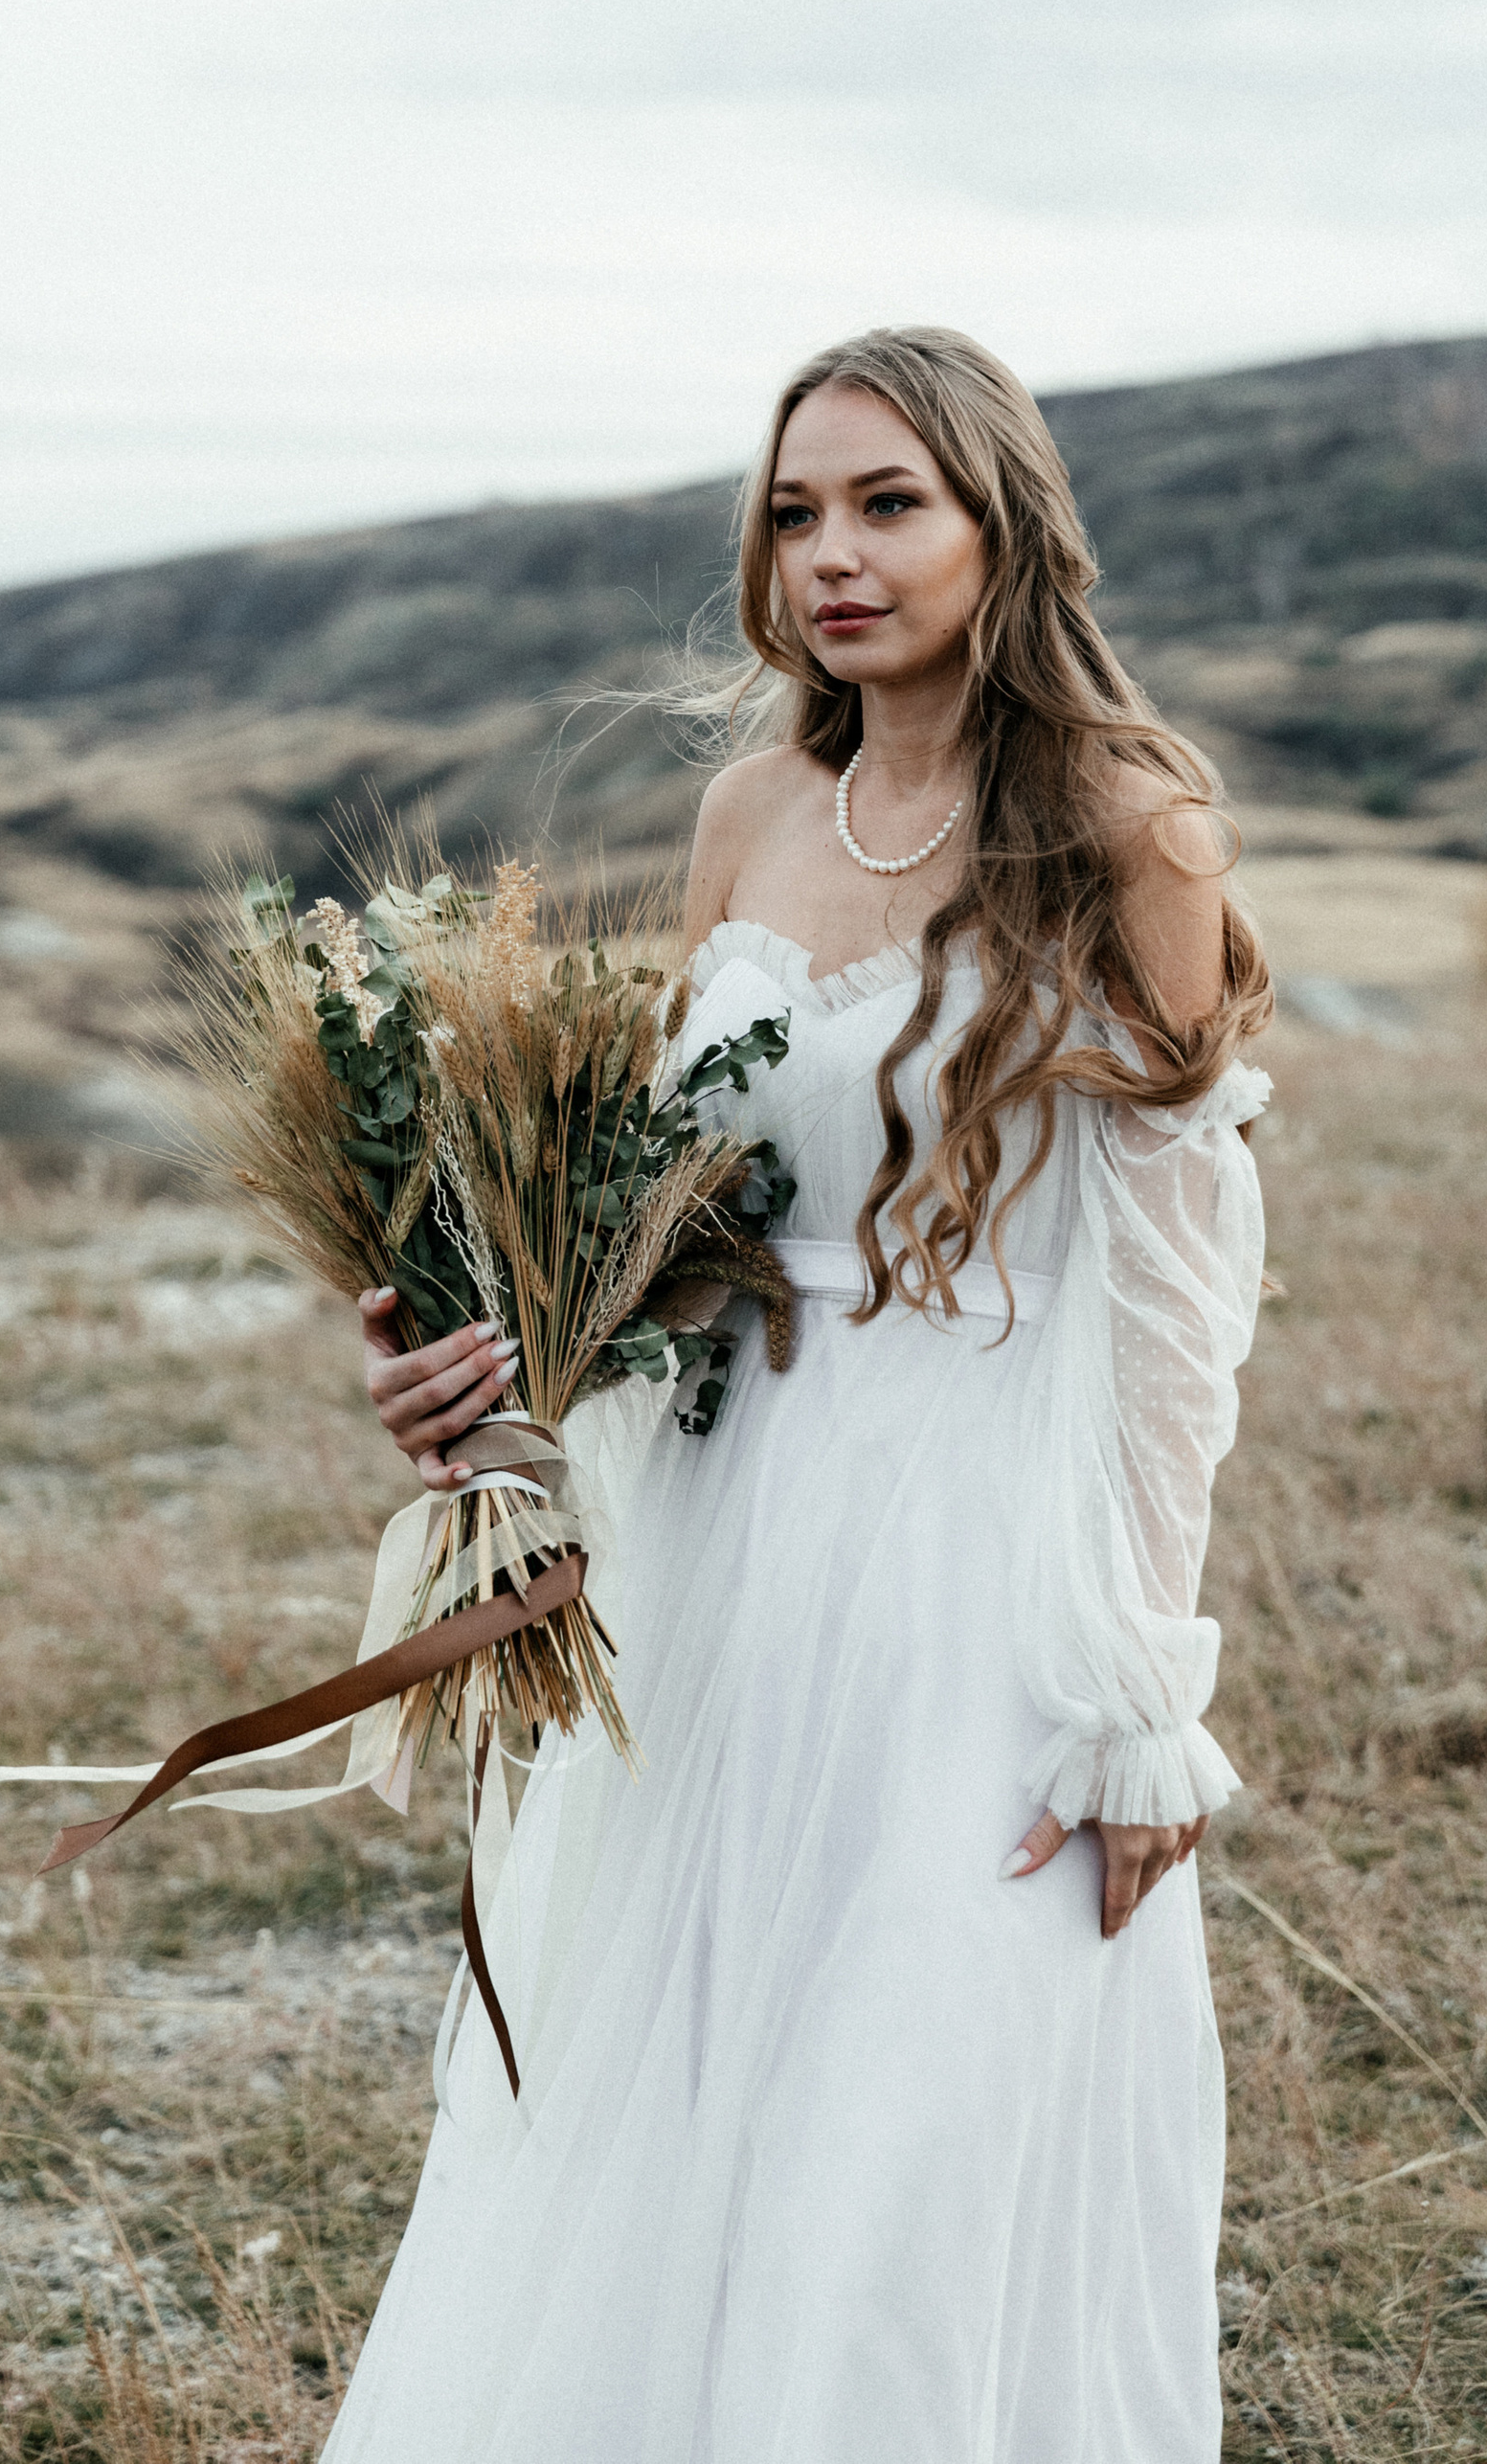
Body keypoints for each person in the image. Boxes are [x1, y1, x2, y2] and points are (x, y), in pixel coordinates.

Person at [327, 324, 1273, 2463]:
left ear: (995, 525)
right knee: (669, 2102)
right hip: (719, 1523)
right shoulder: (749, 806)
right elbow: (665, 1204)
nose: (828, 556)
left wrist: (1140, 1694)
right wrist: (478, 1369)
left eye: (884, 505)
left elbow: (1171, 1287)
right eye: (791, 512)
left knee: (904, 2113)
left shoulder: (1128, 824)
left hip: (974, 1551)